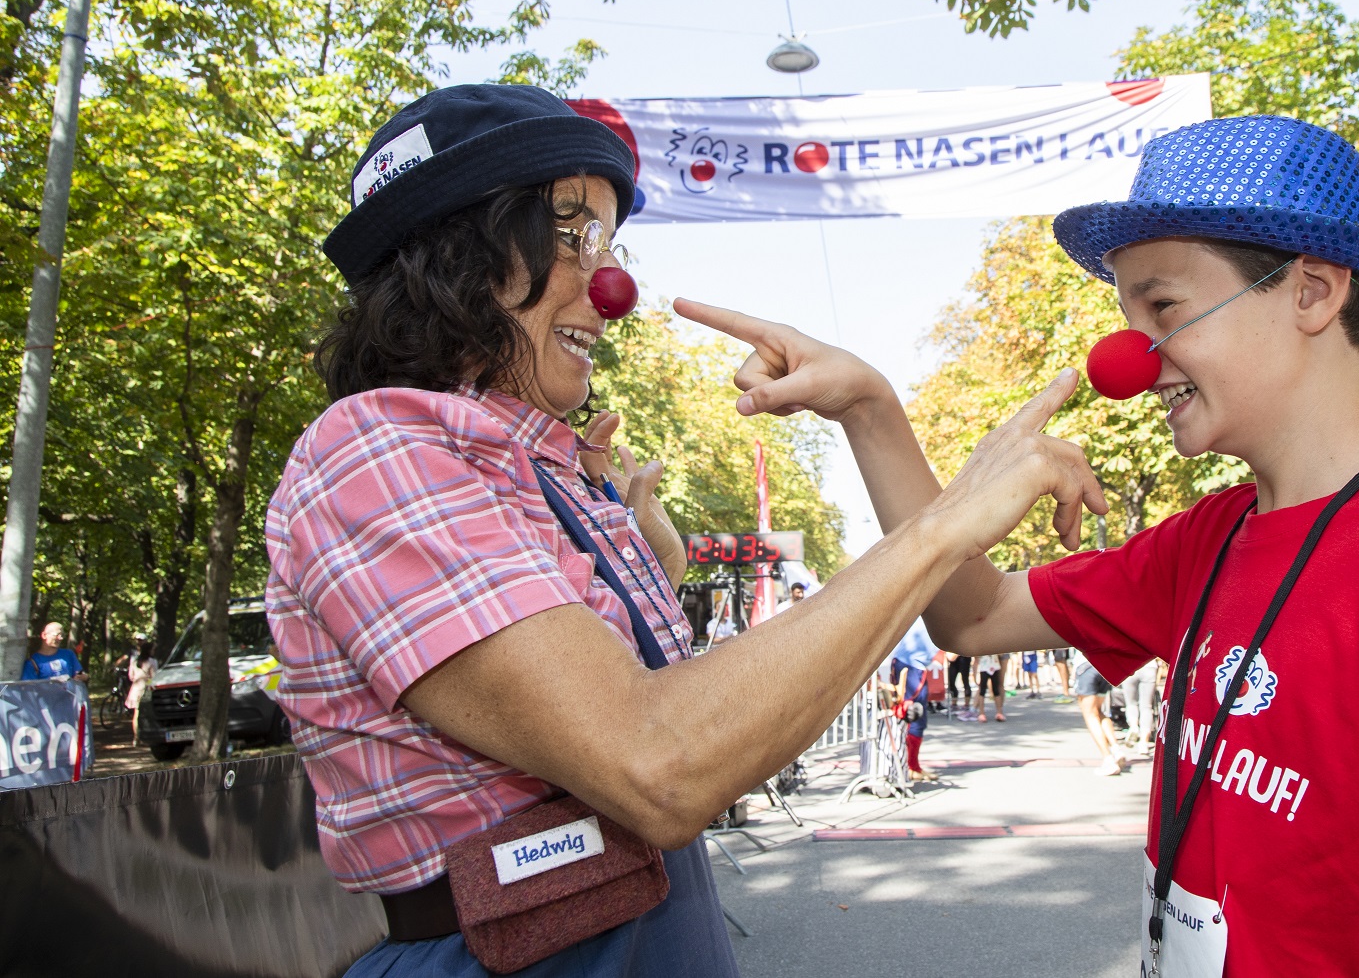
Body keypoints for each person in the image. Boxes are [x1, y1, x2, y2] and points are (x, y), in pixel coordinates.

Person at [698, 115, 1359, 975]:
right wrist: (871, 410)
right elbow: (970, 615)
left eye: (1164, 308)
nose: (1128, 360)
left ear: (1311, 290)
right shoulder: (1207, 541)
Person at [263, 83, 1102, 978]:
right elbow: (656, 761)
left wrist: (653, 564)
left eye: (610, 243)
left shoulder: (545, 464)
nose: (613, 285)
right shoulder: (373, 449)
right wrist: (940, 524)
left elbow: (682, 710)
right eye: (573, 234)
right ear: (459, 252)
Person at [892, 617, 939, 781]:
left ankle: (911, 766)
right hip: (912, 667)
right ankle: (910, 767)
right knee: (914, 718)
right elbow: (953, 655)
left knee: (913, 717)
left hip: (909, 664)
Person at [1073, 651, 1125, 776]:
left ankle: (1108, 758)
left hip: (1086, 666)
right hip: (1104, 665)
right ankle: (1115, 748)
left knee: (1090, 715)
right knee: (1099, 711)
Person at [20, 622, 86, 682]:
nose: (60, 638)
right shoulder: (33, 662)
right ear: (44, 635)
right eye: (57, 635)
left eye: (62, 635)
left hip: (69, 695)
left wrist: (84, 676)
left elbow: (80, 673)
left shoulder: (68, 654)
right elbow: (29, 689)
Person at [124, 637, 158, 746]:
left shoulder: (134, 662)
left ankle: (136, 737)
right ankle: (147, 735)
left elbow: (131, 676)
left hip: (135, 688)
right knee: (147, 712)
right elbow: (154, 676)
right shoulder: (152, 662)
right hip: (146, 688)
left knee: (136, 713)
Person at [1123, 657, 1160, 754]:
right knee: (1146, 707)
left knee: (1131, 703)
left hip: (1129, 664)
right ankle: (1144, 742)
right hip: (1150, 666)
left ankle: (1134, 726)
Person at [974, 650, 1005, 722]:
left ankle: (999, 712)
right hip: (984, 666)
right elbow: (976, 656)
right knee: (982, 690)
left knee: (996, 690)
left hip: (995, 665)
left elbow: (1001, 654)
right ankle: (981, 713)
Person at [946, 650, 974, 719]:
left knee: (965, 681)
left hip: (964, 657)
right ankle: (954, 703)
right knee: (951, 681)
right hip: (954, 658)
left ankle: (966, 705)